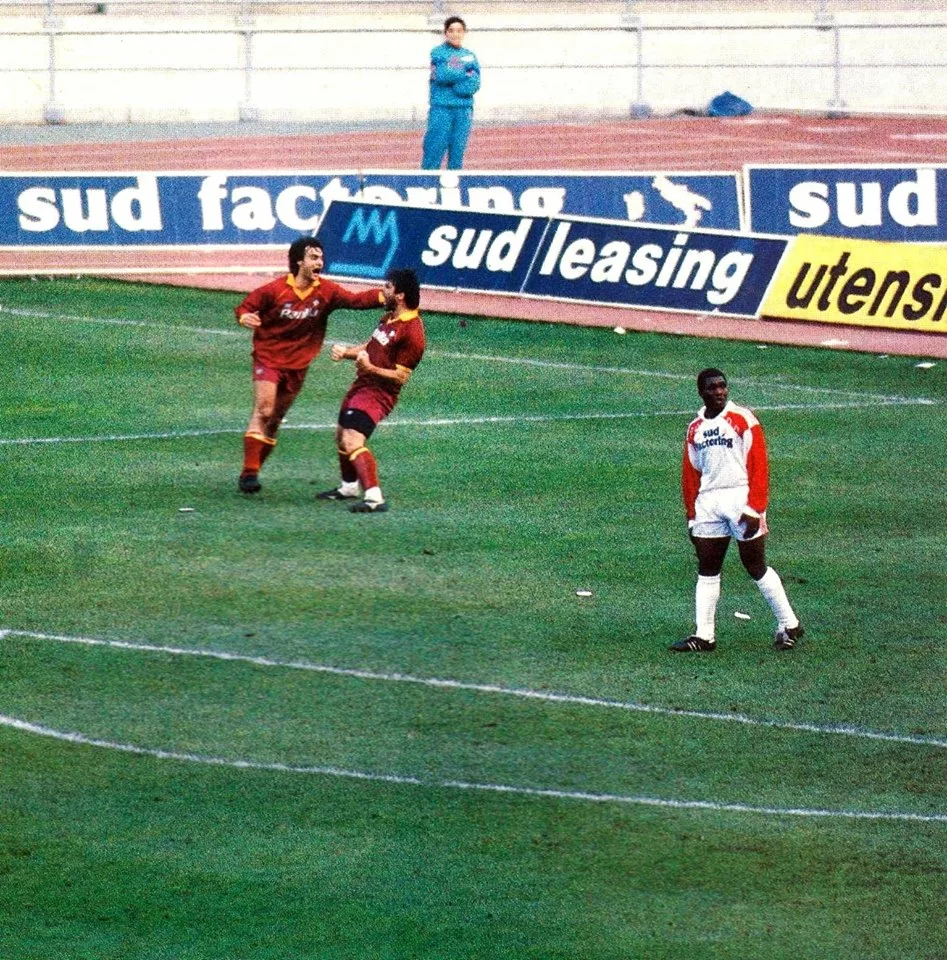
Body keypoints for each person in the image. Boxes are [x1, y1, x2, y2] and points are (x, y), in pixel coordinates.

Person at [233, 237, 383, 494]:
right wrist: (244, 316)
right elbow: (246, 306)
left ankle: (254, 468)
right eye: (314, 257)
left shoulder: (326, 291)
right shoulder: (275, 290)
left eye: (321, 258)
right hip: (268, 358)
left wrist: (384, 296)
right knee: (265, 410)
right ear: (299, 261)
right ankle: (249, 474)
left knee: (275, 420)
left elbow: (355, 300)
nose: (319, 262)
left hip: (298, 365)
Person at [672, 368, 804, 653]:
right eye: (712, 388)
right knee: (707, 569)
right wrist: (692, 516)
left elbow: (759, 464)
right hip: (708, 502)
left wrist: (755, 508)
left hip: (740, 499)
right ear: (701, 392)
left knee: (755, 565)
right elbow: (690, 473)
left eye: (722, 386)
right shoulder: (695, 428)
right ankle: (704, 636)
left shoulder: (742, 419)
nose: (719, 392)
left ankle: (790, 623)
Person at [316, 268, 426, 513]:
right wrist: (347, 353)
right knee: (341, 434)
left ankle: (374, 497)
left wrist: (370, 368)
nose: (382, 292)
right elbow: (371, 345)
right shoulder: (388, 319)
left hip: (378, 394)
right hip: (362, 385)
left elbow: (400, 377)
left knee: (352, 439)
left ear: (400, 295)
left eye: (387, 287)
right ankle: (348, 487)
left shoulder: (413, 333)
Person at [421, 16, 480, 170]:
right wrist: (465, 73)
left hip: (463, 109)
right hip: (442, 107)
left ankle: (453, 182)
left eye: (459, 31)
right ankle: (428, 182)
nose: (455, 34)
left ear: (464, 33)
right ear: (446, 33)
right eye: (451, 30)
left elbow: (474, 83)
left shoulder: (470, 55)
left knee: (457, 151)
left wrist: (456, 82)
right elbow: (442, 74)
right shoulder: (438, 52)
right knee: (434, 149)